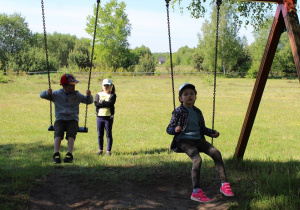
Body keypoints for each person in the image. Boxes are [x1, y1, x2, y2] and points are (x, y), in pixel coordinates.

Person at [166, 83, 234, 203]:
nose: (189, 96)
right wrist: (175, 130)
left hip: (198, 140)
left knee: (216, 153)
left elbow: (202, 128)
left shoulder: (197, 112)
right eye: (185, 94)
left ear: (195, 97)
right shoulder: (178, 112)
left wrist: (212, 133)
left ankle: (224, 184)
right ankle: (196, 191)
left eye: (192, 94)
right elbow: (169, 129)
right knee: (197, 159)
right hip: (184, 141)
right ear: (180, 98)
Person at [40, 73, 93, 164]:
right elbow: (42, 95)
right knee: (58, 133)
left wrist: (89, 96)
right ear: (64, 85)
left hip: (73, 119)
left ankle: (69, 154)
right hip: (60, 119)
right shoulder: (57, 94)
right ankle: (56, 153)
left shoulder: (77, 95)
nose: (73, 87)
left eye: (74, 85)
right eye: (71, 85)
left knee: (71, 134)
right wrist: (47, 93)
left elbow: (89, 101)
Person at [94, 78, 116, 156]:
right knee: (100, 134)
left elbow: (110, 103)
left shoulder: (112, 95)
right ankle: (100, 150)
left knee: (108, 134)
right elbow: (96, 103)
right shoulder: (98, 94)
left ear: (111, 86)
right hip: (99, 117)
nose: (106, 87)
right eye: (105, 85)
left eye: (108, 85)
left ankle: (108, 151)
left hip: (108, 117)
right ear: (102, 86)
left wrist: (102, 102)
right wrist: (104, 103)